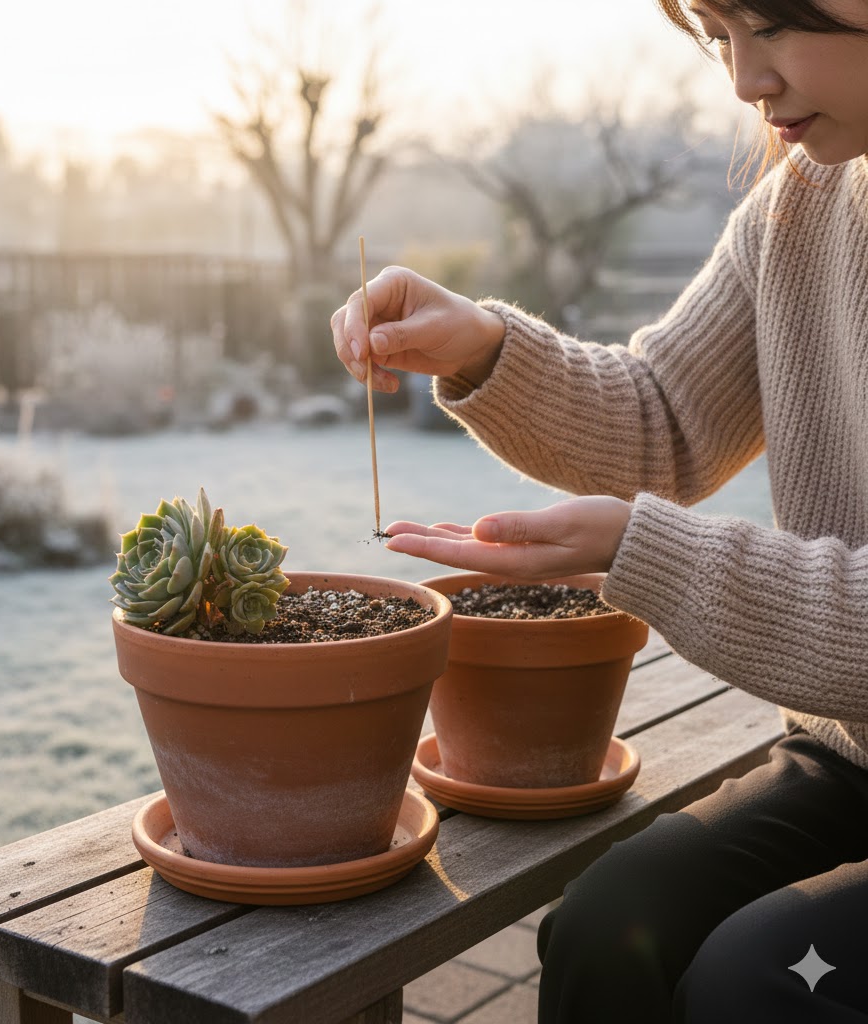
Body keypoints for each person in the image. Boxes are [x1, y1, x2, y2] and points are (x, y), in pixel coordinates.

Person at [330, 1, 868, 1020]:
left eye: (770, 22)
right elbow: (664, 425)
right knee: (606, 926)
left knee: (756, 983)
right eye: (716, 32)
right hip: (853, 759)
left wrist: (646, 553)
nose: (743, 80)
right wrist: (483, 347)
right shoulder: (798, 211)